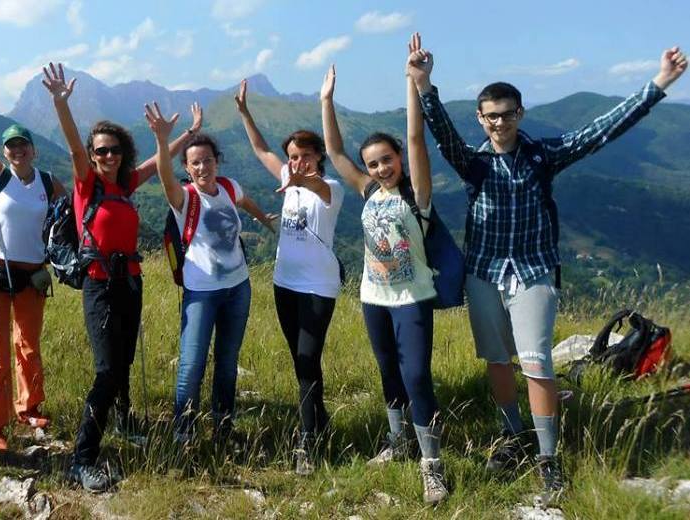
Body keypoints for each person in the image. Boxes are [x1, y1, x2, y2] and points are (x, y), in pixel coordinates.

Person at [411, 40, 687, 504]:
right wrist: (423, 83)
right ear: (481, 118)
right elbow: (440, 134)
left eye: (507, 114)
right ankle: (512, 433)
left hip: (534, 271)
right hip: (483, 272)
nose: (499, 122)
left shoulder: (544, 155)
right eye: (490, 116)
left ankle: (547, 458)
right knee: (497, 360)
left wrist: (659, 84)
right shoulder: (474, 164)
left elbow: (602, 130)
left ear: (520, 113)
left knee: (537, 362)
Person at [43, 62, 203, 491]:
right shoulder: (85, 185)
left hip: (130, 283)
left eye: (113, 149)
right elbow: (75, 150)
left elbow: (158, 161)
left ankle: (126, 420)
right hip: (99, 284)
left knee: (125, 361)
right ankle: (82, 458)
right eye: (101, 151)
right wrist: (61, 104)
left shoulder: (125, 185)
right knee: (107, 370)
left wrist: (184, 135)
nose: (107, 156)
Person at [320, 34, 448, 504]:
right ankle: (397, 442)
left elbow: (416, 138)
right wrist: (325, 101)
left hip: (413, 297)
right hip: (373, 297)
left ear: (399, 160)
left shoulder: (418, 196)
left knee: (417, 375)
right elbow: (334, 153)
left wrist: (412, 81)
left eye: (386, 160)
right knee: (388, 372)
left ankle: (431, 464)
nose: (379, 169)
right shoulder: (369, 191)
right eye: (372, 164)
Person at [144, 102, 274, 448]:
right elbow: (163, 175)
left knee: (228, 362)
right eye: (195, 162)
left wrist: (266, 221)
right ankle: (184, 433)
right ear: (187, 167)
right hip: (201, 291)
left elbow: (246, 203)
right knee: (191, 363)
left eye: (208, 160)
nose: (203, 167)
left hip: (238, 288)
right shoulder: (184, 197)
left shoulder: (230, 188)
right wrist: (162, 140)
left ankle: (223, 427)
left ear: (217, 162)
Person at [235, 79, 344, 475]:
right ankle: (320, 420)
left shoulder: (329, 187)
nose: (296, 162)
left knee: (306, 357)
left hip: (318, 287)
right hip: (284, 284)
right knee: (302, 362)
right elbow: (261, 149)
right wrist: (245, 113)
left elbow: (313, 183)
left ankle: (307, 443)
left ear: (318, 157)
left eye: (304, 156)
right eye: (293, 157)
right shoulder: (289, 177)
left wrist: (298, 178)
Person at [0, 63, 67, 452]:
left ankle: (31, 406)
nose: (18, 151)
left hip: (32, 275)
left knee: (28, 346)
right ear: (4, 153)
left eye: (23, 145)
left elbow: (71, 214)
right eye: (11, 147)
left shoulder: (48, 182)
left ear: (33, 150)